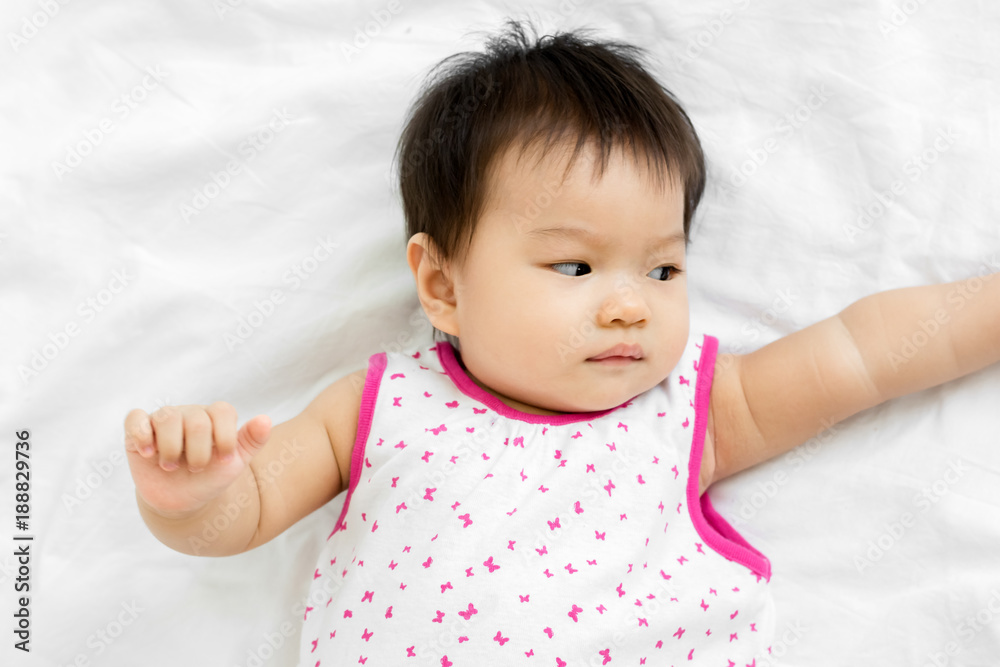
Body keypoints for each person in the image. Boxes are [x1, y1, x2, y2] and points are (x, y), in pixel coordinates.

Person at [123, 19, 1000, 666]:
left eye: (663, 269)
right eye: (575, 266)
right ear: (442, 285)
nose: (629, 306)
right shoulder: (375, 408)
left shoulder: (693, 412)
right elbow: (243, 516)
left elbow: (863, 352)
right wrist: (195, 498)